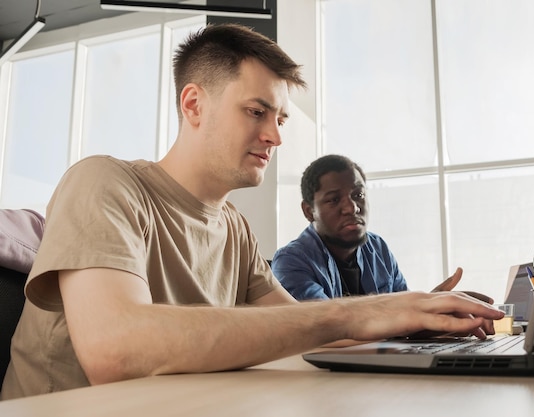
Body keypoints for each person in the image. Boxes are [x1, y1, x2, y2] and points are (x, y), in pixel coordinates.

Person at [1, 23, 503, 400]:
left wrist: (411, 324)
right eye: (257, 111)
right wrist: (367, 309)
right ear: (193, 105)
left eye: (280, 118)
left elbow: (301, 329)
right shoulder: (104, 183)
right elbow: (116, 350)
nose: (276, 136)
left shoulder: (233, 227)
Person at [272, 154, 484, 301]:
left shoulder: (378, 248)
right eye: (334, 200)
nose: (352, 207)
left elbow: (404, 317)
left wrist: (432, 309)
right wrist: (416, 311)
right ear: (309, 211)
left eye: (359, 195)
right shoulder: (290, 262)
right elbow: (326, 325)